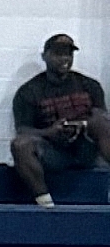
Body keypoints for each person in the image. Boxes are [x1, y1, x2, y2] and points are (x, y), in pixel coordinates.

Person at [12, 34, 109, 203]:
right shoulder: (28, 91)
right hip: (54, 152)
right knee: (20, 145)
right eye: (58, 54)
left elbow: (103, 120)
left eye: (68, 54)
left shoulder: (89, 84)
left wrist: (82, 125)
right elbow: (22, 129)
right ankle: (45, 203)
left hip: (86, 148)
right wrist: (49, 132)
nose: (64, 59)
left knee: (100, 121)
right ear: (45, 56)